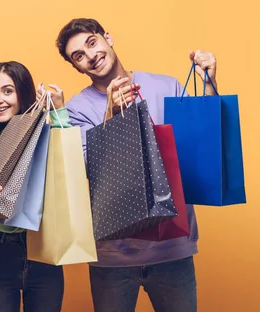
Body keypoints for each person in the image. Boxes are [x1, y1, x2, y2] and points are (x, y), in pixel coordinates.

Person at [55, 18, 218, 312]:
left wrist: (208, 82)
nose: (90, 55)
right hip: (112, 257)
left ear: (108, 37)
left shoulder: (166, 85)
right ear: (77, 67)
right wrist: (112, 116)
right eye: (78, 56)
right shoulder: (76, 110)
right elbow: (90, 171)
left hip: (173, 250)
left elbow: (201, 144)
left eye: (92, 43)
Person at [0, 61, 69, 312]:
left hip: (44, 249)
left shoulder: (45, 133)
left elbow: (67, 161)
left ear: (23, 93)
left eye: (7, 91)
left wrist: (58, 112)